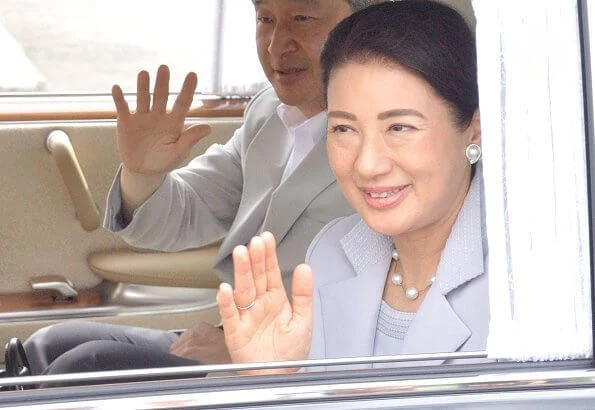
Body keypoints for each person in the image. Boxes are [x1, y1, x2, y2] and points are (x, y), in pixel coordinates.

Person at [22, 0, 379, 376]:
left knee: (84, 367)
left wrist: (250, 355)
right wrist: (143, 173)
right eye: (265, 20)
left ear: (367, 23)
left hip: (298, 364)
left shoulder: (385, 151)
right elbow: (187, 213)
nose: (276, 45)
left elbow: (385, 313)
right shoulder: (268, 114)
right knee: (45, 345)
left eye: (302, 19)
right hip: (239, 335)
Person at [217, 0, 488, 373]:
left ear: (474, 129)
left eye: (399, 127)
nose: (367, 165)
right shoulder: (329, 255)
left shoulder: (527, 281)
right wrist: (275, 380)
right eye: (344, 129)